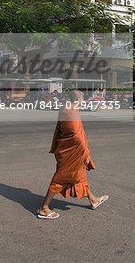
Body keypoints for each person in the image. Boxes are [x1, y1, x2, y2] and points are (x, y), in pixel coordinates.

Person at [37, 90, 109, 219]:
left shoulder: (68, 108)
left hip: (71, 150)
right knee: (60, 178)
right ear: (77, 99)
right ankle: (44, 208)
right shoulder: (70, 111)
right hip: (71, 152)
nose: (83, 100)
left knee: (79, 176)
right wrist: (85, 153)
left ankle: (93, 200)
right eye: (82, 98)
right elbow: (76, 136)